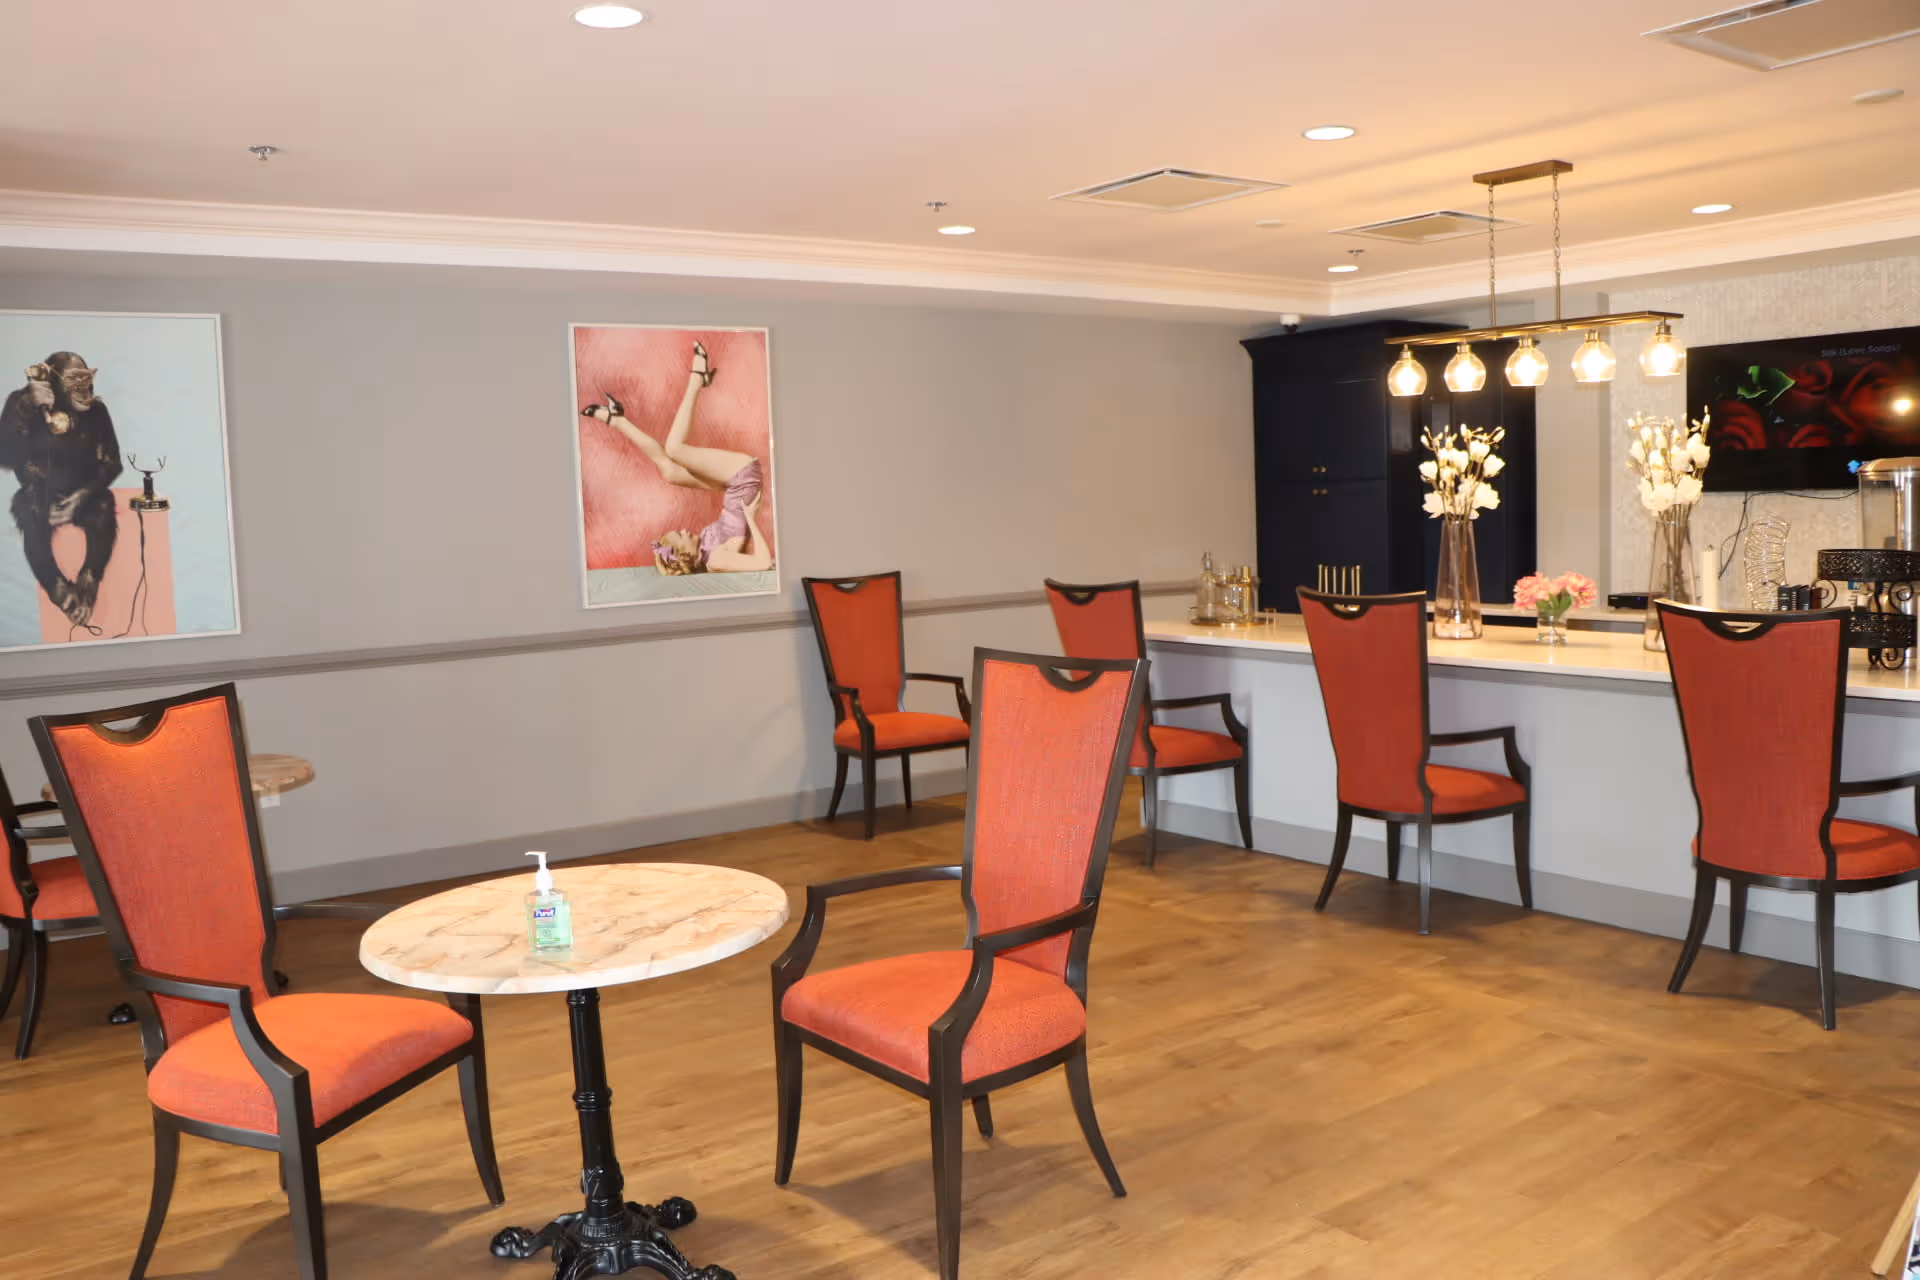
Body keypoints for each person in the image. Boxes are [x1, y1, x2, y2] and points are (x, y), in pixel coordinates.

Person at [581, 341, 773, 575]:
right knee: (674, 448)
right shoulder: (716, 560)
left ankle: (618, 419)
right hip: (743, 478)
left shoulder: (702, 546)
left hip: (733, 487)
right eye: (682, 536)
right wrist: (751, 519)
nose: (684, 530)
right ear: (685, 555)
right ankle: (697, 378)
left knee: (669, 471)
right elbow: (763, 563)